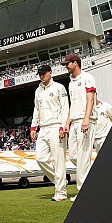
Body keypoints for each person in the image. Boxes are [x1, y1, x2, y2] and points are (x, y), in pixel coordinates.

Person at [30, 65, 69, 201]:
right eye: (40, 74)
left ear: (50, 73)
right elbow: (36, 109)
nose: (42, 76)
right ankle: (61, 182)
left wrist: (63, 126)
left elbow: (65, 108)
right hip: (43, 128)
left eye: (44, 73)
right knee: (40, 158)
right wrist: (33, 126)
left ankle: (61, 193)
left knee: (59, 161)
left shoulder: (59, 87)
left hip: (56, 126)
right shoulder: (38, 90)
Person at [63, 53, 96, 200]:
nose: (66, 66)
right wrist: (67, 122)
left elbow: (90, 100)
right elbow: (72, 105)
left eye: (67, 63)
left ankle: (84, 193)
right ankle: (92, 178)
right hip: (75, 122)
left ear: (75, 63)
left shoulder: (87, 78)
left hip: (85, 121)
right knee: (74, 156)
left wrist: (86, 119)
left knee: (83, 157)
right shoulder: (70, 82)